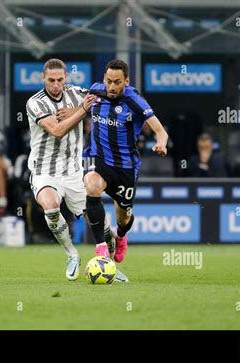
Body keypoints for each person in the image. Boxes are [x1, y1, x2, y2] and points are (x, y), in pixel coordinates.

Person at [26, 58, 127, 282]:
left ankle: (108, 265)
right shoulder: (35, 103)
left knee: (105, 228)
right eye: (51, 80)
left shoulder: (78, 93)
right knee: (51, 206)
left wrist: (82, 106)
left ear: (66, 78)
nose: (55, 85)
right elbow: (57, 131)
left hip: (73, 172)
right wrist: (82, 110)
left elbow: (114, 96)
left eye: (60, 80)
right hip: (44, 170)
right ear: (43, 78)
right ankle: (72, 254)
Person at [84, 59, 168, 264]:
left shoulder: (134, 100)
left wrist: (161, 144)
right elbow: (81, 109)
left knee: (123, 218)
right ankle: (101, 247)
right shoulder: (95, 91)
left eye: (117, 82)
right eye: (109, 81)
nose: (112, 87)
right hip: (99, 160)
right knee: (91, 186)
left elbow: (160, 131)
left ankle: (120, 237)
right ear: (104, 78)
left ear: (126, 81)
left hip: (126, 168)